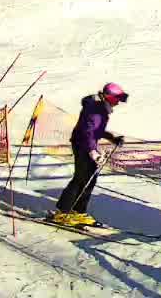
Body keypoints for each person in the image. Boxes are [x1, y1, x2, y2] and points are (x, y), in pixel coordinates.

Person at [52, 83, 128, 227]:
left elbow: (96, 130)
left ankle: (78, 212)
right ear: (109, 97)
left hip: (86, 144)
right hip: (83, 145)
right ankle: (63, 212)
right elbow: (89, 132)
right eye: (117, 99)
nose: (118, 102)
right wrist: (92, 151)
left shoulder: (100, 108)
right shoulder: (96, 109)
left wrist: (112, 138)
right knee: (81, 178)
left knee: (89, 179)